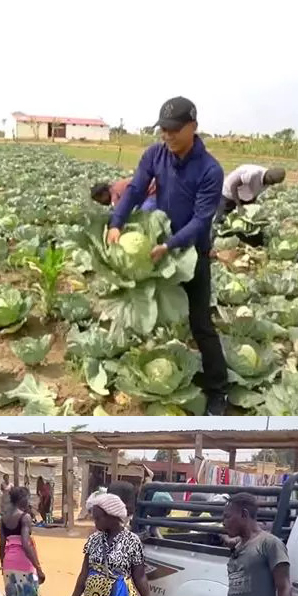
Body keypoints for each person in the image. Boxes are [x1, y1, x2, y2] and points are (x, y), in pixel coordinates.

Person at [108, 96, 227, 415]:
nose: (167, 135)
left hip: (192, 251)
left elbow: (202, 221)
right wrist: (116, 222)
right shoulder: (154, 154)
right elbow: (135, 190)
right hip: (160, 248)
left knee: (201, 323)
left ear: (193, 128)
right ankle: (138, 373)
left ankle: (218, 390)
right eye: (163, 129)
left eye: (174, 130)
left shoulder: (211, 170)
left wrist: (169, 245)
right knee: (146, 316)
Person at [1, 486, 45, 596]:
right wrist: (38, 568)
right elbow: (26, 544)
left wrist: (3, 565)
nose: (30, 501)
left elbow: (1, 545)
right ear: (22, 499)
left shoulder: (5, 518)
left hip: (8, 562)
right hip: (23, 562)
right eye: (28, 498)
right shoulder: (25, 517)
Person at [218, 165, 286, 219]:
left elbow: (256, 190)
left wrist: (251, 204)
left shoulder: (268, 180)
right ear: (269, 175)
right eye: (272, 181)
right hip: (229, 194)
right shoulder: (253, 174)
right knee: (222, 218)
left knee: (243, 218)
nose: (272, 184)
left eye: (274, 183)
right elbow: (233, 186)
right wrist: (239, 206)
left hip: (243, 196)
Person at [91, 176, 158, 211]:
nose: (101, 203)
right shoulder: (116, 186)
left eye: (100, 200)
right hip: (148, 193)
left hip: (153, 193)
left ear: (104, 193)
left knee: (144, 213)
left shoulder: (114, 195)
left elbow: (118, 212)